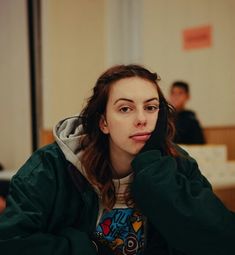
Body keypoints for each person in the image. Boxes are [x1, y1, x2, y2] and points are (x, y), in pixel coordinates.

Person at [0, 64, 235, 255]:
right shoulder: (50, 167)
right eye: (125, 109)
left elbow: (222, 239)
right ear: (103, 122)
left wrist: (154, 168)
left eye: (151, 107)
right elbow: (11, 241)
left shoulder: (177, 162)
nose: (142, 119)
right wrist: (86, 249)